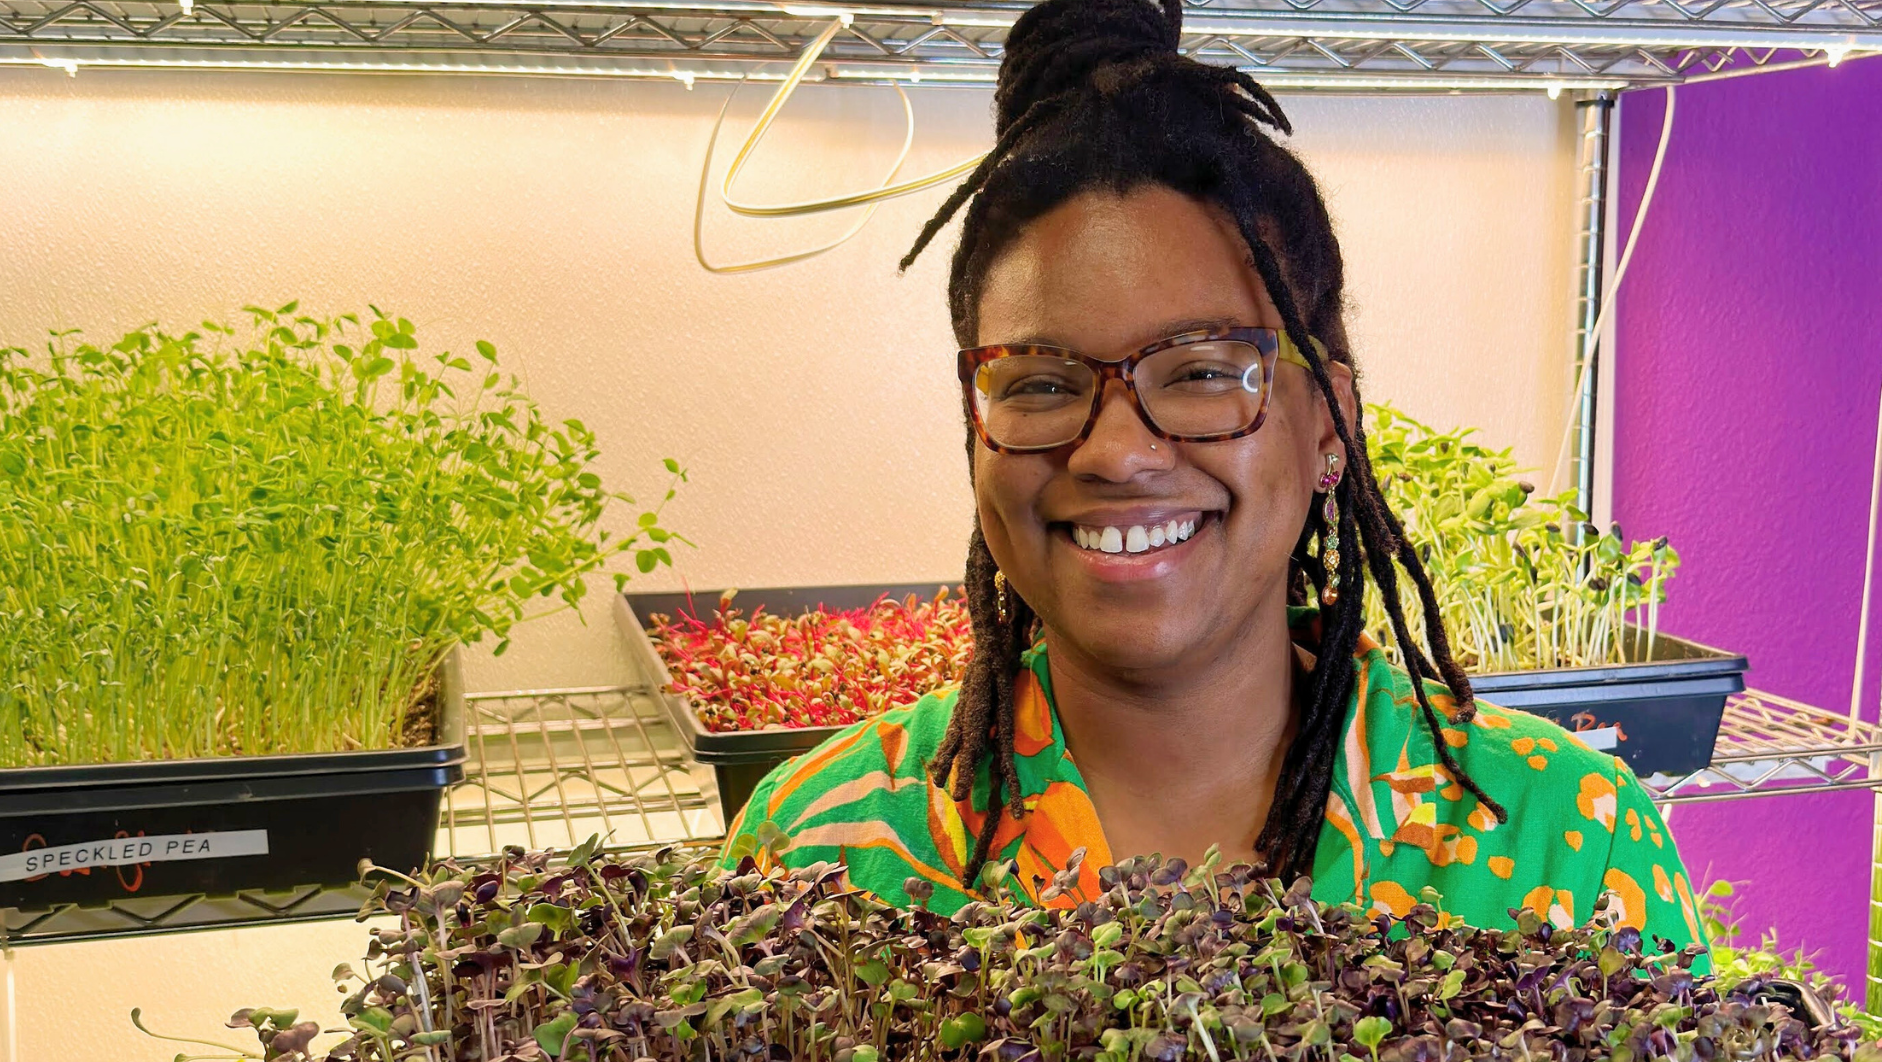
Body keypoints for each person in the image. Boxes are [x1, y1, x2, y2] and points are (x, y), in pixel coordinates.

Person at [721, 0, 1705, 957]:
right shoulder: (818, 853)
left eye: (1199, 373)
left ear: (1328, 425)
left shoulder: (1567, 843)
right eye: (1040, 382)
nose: (1115, 452)